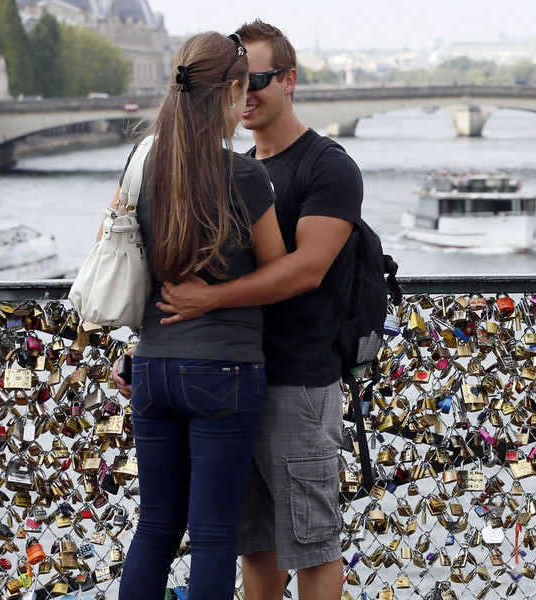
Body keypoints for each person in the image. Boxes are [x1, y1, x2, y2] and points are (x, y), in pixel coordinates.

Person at [116, 18, 361, 600]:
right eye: (239, 82)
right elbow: (282, 261)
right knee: (238, 538)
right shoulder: (241, 173)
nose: (248, 94)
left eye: (260, 79)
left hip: (282, 379)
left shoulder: (325, 166)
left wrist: (205, 296)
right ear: (223, 91)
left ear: (290, 80)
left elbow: (309, 269)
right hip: (233, 376)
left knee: (298, 542)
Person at [108, 31, 287, 600]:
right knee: (211, 536)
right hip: (224, 369)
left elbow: (117, 253)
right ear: (233, 92)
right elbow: (277, 273)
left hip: (153, 367)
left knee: (155, 528)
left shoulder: (145, 165)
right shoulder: (244, 175)